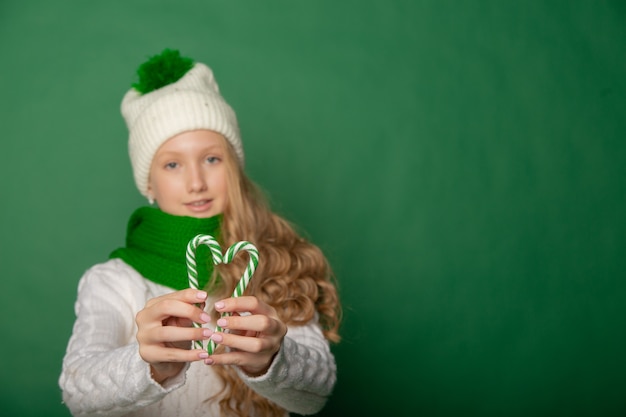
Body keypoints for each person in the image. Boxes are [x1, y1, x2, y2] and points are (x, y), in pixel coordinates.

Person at [59, 49, 341, 417]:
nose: (196, 183)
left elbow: (315, 395)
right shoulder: (113, 282)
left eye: (211, 159)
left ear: (234, 167)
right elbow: (78, 392)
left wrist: (272, 358)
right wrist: (149, 364)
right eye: (172, 164)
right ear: (149, 183)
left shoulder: (277, 263)